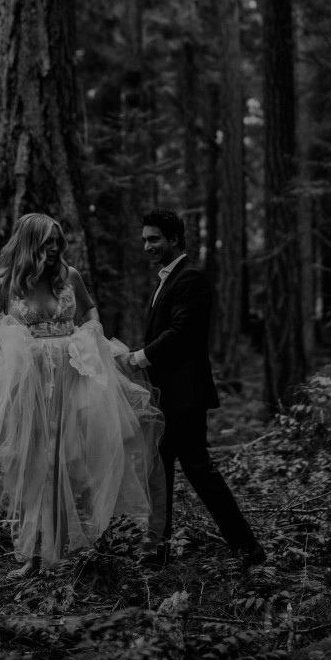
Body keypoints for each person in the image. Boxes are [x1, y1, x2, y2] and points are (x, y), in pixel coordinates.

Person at [0, 212, 165, 572]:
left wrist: (91, 330)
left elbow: (90, 310)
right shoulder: (6, 282)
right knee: (38, 462)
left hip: (73, 377)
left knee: (71, 460)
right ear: (29, 242)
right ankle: (36, 555)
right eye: (46, 242)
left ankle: (68, 549)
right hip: (33, 383)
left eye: (56, 242)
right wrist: (8, 339)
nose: (53, 248)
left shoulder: (69, 276)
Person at [129, 208, 265, 569]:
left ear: (175, 239)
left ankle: (247, 546)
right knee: (160, 474)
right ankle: (158, 549)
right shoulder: (165, 280)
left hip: (185, 398)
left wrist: (140, 357)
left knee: (199, 470)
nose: (147, 246)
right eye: (144, 239)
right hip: (164, 396)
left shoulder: (191, 279)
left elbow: (182, 333)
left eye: (154, 239)